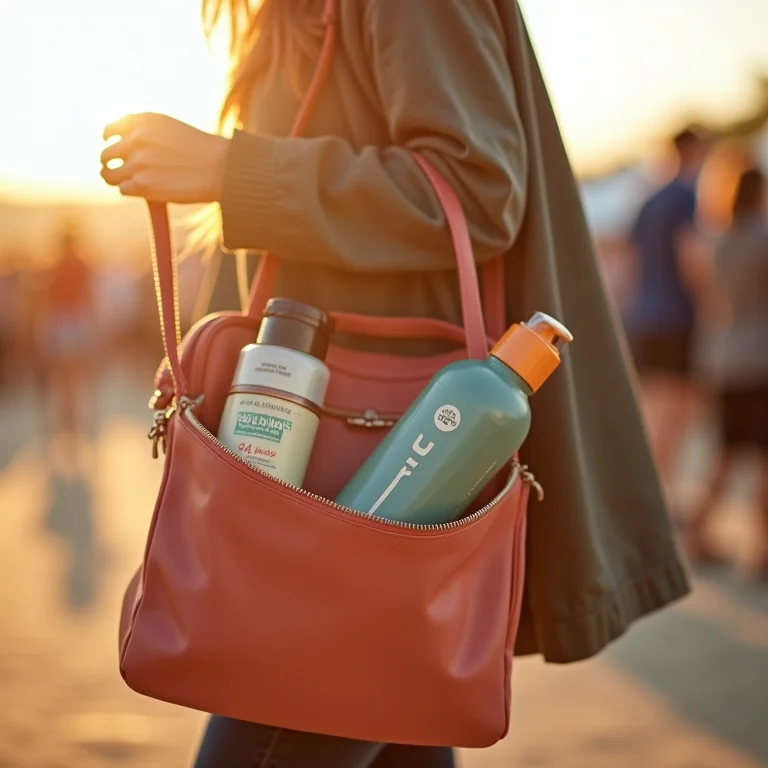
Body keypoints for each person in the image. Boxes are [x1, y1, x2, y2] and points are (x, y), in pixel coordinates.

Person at [100, 1, 689, 765]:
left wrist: (227, 169)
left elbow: (477, 189)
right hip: (338, 455)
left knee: (303, 701)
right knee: (389, 705)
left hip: (396, 450)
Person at [687, 167, 768, 579]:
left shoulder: (716, 241)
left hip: (723, 357)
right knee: (761, 459)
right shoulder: (761, 239)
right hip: (759, 361)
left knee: (723, 452)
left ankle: (698, 533)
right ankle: (760, 552)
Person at [625, 128, 711, 513]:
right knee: (675, 413)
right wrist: (713, 305)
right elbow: (689, 254)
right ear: (695, 149)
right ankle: (660, 499)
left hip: (644, 317)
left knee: (655, 409)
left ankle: (651, 493)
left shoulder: (650, 199)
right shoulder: (685, 196)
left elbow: (629, 258)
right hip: (676, 317)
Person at [37, 222, 96, 435]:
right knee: (75, 370)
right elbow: (89, 294)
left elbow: (47, 296)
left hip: (63, 318)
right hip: (74, 317)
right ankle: (73, 413)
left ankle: (67, 414)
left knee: (64, 370)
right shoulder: (81, 263)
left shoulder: (57, 264)